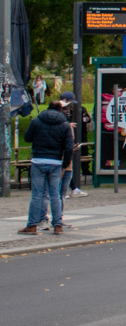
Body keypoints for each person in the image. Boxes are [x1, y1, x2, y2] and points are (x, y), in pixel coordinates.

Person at [18, 100, 74, 235]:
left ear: (48, 108)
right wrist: (65, 164)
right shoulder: (65, 125)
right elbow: (69, 147)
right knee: (55, 194)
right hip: (55, 162)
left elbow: (27, 138)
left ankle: (32, 225)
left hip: (38, 160)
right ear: (60, 110)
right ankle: (58, 225)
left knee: (37, 194)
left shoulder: (37, 121)